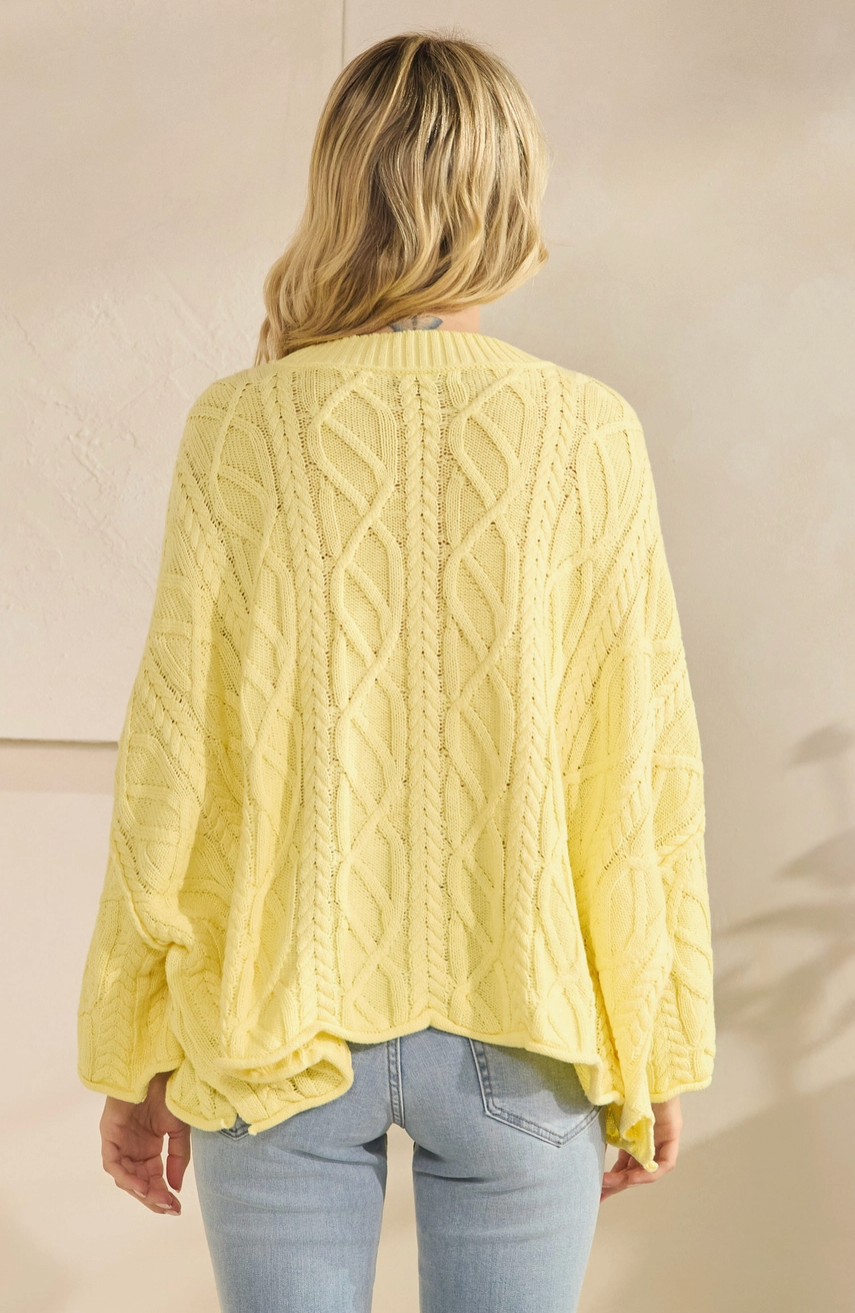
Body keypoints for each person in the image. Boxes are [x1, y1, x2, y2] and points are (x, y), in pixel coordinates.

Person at [77, 29, 715, 1313]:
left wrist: (135, 1044)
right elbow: (641, 761)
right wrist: (653, 1037)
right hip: (526, 1018)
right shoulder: (588, 434)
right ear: (512, 197)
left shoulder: (241, 427)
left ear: (338, 188)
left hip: (279, 1023)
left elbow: (173, 761)